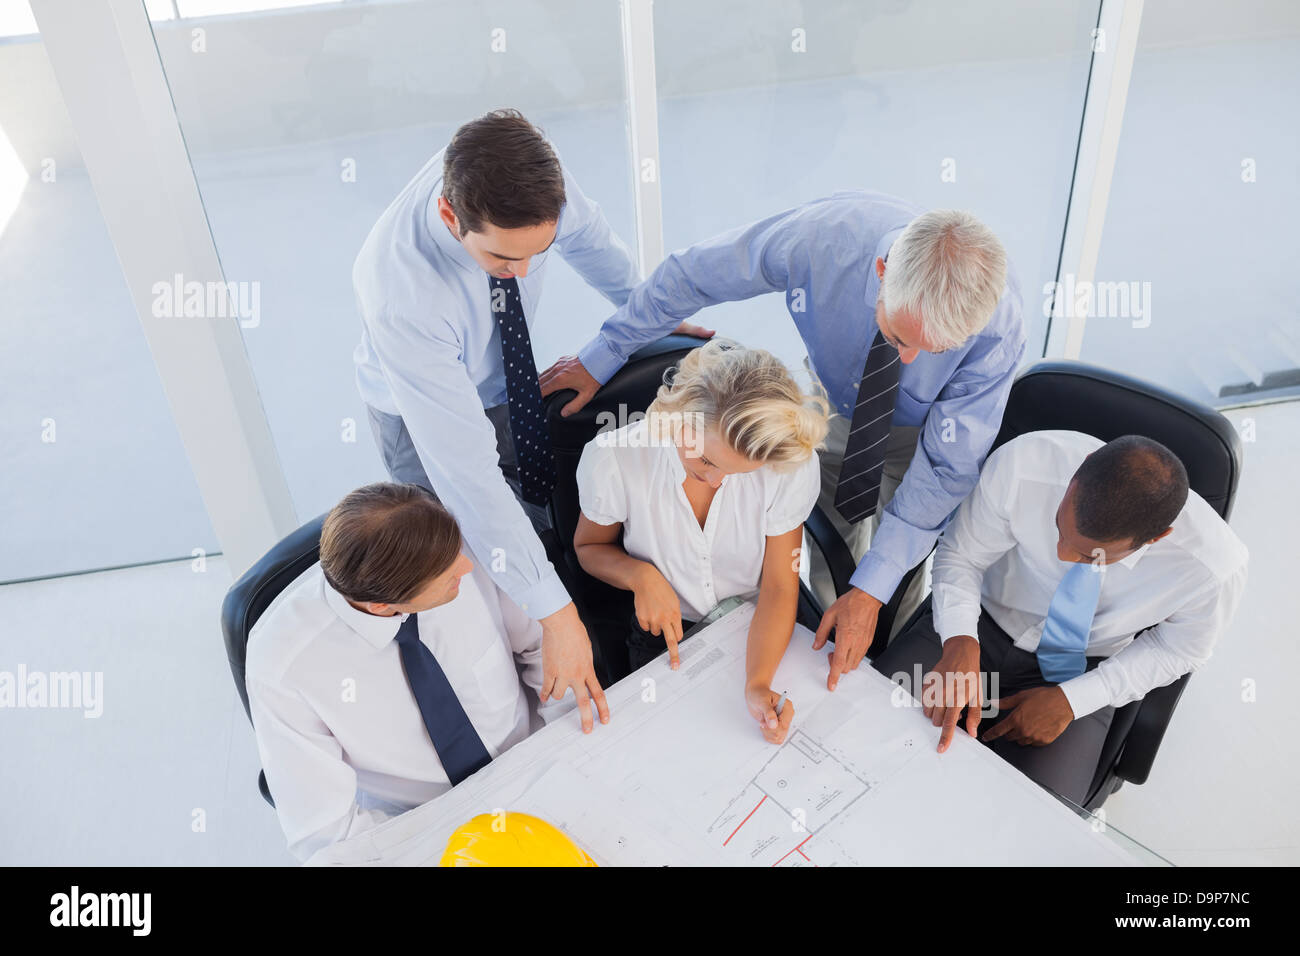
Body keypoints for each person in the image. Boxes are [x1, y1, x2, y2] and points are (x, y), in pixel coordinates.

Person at [540, 192, 1025, 692]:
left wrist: (870, 592)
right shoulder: (824, 239)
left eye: (935, 350)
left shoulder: (999, 325)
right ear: (882, 271)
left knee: (891, 582)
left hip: (924, 433)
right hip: (833, 402)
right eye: (901, 339)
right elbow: (695, 274)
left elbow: (947, 469)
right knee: (824, 552)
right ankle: (815, 641)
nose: (910, 361)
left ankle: (869, 663)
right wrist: (605, 353)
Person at [351, 108, 711, 732]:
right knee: (462, 549)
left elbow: (592, 242)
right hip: (422, 408)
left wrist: (646, 309)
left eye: (533, 255)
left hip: (503, 378)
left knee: (535, 505)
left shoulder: (527, 173)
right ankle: (514, 681)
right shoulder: (402, 297)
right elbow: (469, 475)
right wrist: (554, 614)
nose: (519, 273)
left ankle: (550, 587)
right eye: (499, 259)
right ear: (448, 217)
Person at [872, 431, 1249, 805]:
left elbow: (1178, 651)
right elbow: (961, 555)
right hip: (976, 625)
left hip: (1084, 669)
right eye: (1059, 528)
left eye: (1089, 557)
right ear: (1078, 472)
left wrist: (1075, 700)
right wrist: (958, 639)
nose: (1064, 554)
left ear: (1156, 538)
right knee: (868, 732)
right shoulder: (1023, 464)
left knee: (1035, 819)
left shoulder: (1214, 568)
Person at [246, 483, 573, 862]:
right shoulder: (283, 664)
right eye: (449, 577)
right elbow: (328, 837)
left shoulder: (470, 547)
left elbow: (543, 649)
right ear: (384, 607)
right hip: (426, 824)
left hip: (536, 763)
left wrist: (566, 757)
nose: (466, 567)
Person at [572, 340, 829, 744]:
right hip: (664, 633)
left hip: (757, 617)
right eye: (706, 462)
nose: (716, 481)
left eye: (738, 472)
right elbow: (588, 549)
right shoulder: (615, 458)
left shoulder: (786, 464)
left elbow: (780, 584)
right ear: (678, 419)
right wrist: (638, 575)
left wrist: (758, 683)